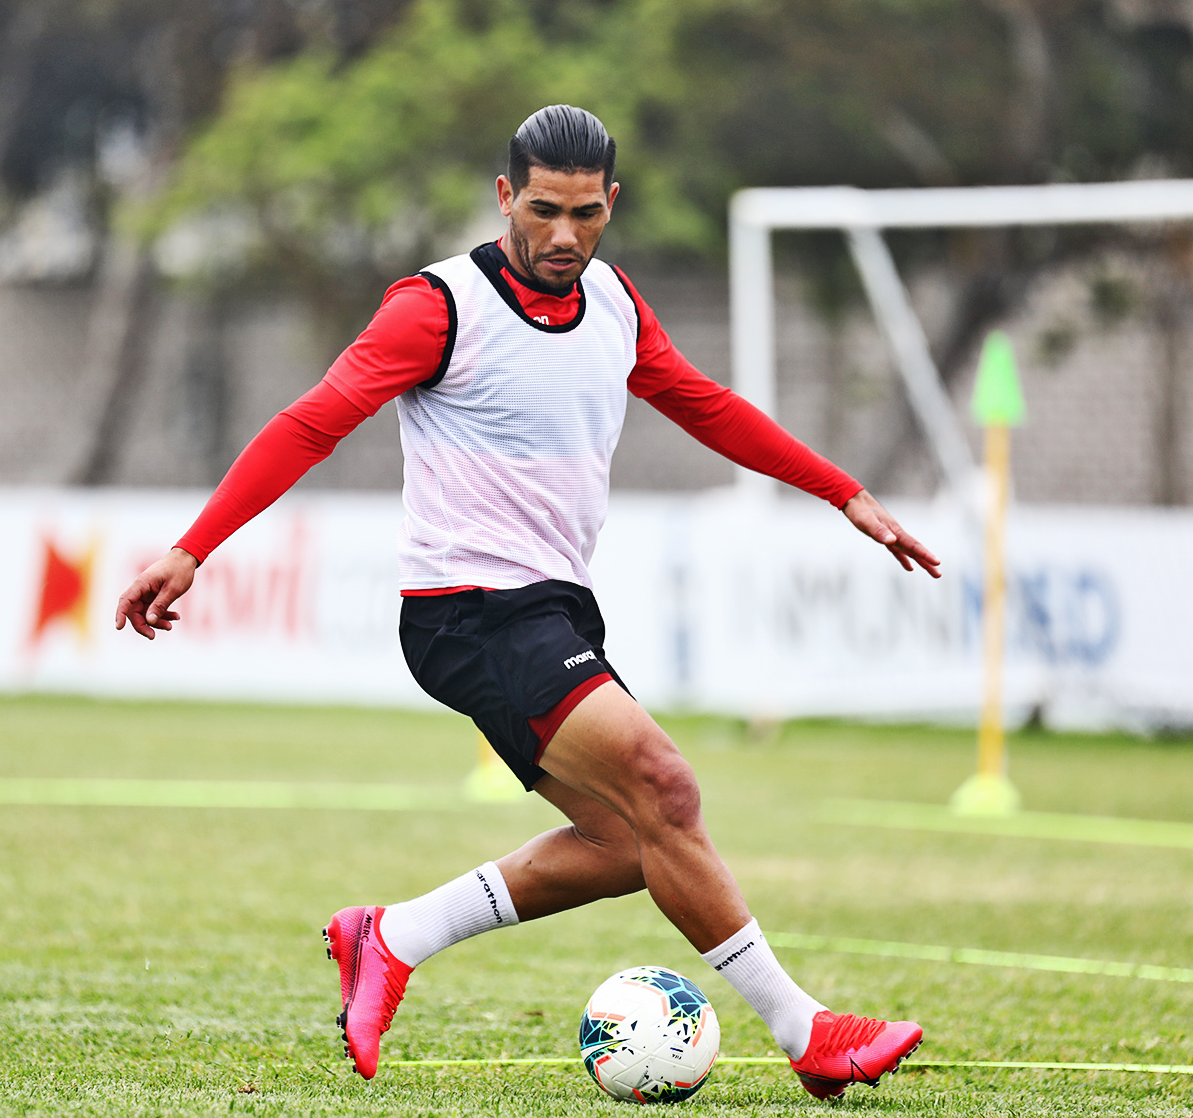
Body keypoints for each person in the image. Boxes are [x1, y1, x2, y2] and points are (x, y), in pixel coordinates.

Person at [114, 105, 941, 1099]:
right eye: (542, 210)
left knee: (633, 844)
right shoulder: (437, 307)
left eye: (584, 215)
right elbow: (311, 422)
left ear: (610, 205)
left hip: (553, 611)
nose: (562, 236)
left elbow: (704, 404)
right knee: (668, 788)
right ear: (505, 196)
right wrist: (193, 548)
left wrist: (844, 493)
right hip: (466, 609)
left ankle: (391, 935)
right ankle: (808, 1031)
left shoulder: (615, 304)